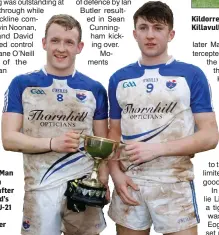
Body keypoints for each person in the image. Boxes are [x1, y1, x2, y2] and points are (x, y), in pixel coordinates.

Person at [107, 1, 219, 235]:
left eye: (158, 28)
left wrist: (157, 149)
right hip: (130, 182)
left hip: (174, 182)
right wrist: (116, 175)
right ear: (134, 33)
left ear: (171, 34)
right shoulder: (118, 78)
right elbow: (113, 134)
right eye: (144, 27)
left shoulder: (191, 75)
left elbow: (210, 136)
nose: (150, 35)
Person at [2, 14, 109, 235]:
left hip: (83, 191)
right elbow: (8, 139)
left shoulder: (94, 89)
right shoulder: (21, 84)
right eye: (55, 40)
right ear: (44, 43)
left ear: (79, 47)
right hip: (40, 190)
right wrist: (53, 142)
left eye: (69, 42)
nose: (61, 48)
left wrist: (103, 181)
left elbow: (102, 145)